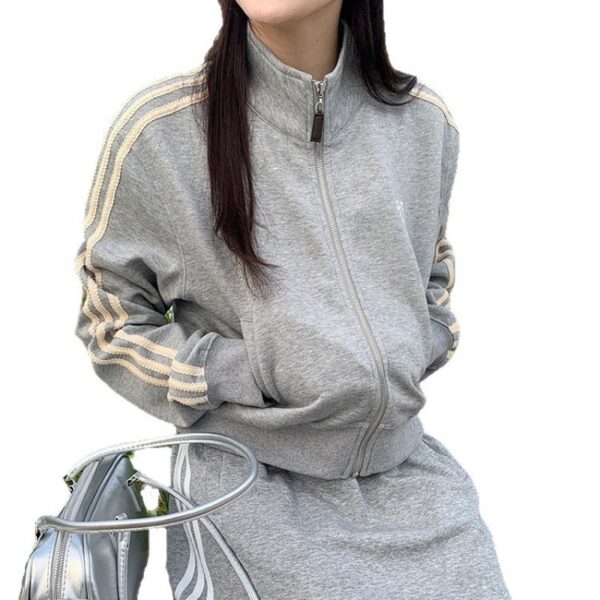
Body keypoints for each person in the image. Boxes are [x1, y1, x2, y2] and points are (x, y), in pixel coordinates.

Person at [73, 1, 512, 598]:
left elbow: (430, 271)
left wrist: (412, 345)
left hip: (413, 480)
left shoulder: (422, 123)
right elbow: (110, 320)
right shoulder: (163, 131)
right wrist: (246, 371)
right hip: (248, 490)